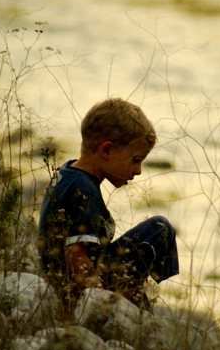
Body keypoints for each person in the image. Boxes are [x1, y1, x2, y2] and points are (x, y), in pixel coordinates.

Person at [38, 97, 179, 312]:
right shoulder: (84, 190)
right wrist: (96, 298)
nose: (138, 170)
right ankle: (139, 305)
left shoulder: (69, 173)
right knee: (160, 229)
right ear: (107, 151)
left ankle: (139, 297)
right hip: (76, 291)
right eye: (135, 160)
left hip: (63, 279)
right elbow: (76, 254)